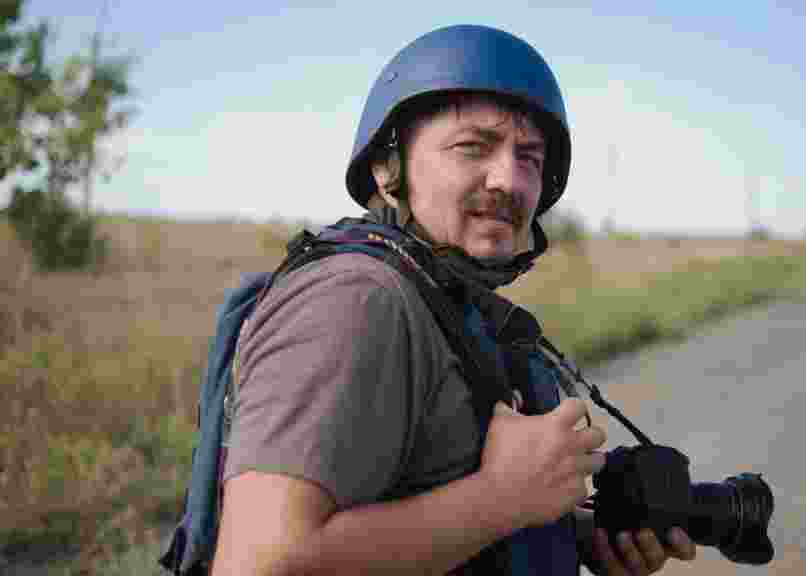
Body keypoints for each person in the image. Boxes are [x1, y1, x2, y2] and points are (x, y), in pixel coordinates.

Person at [210, 24, 696, 575]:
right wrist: (502, 500)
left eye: (530, 158)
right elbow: (260, 564)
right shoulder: (356, 301)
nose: (509, 179)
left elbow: (421, 505)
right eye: (473, 147)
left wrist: (564, 534)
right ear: (387, 169)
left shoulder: (443, 299)